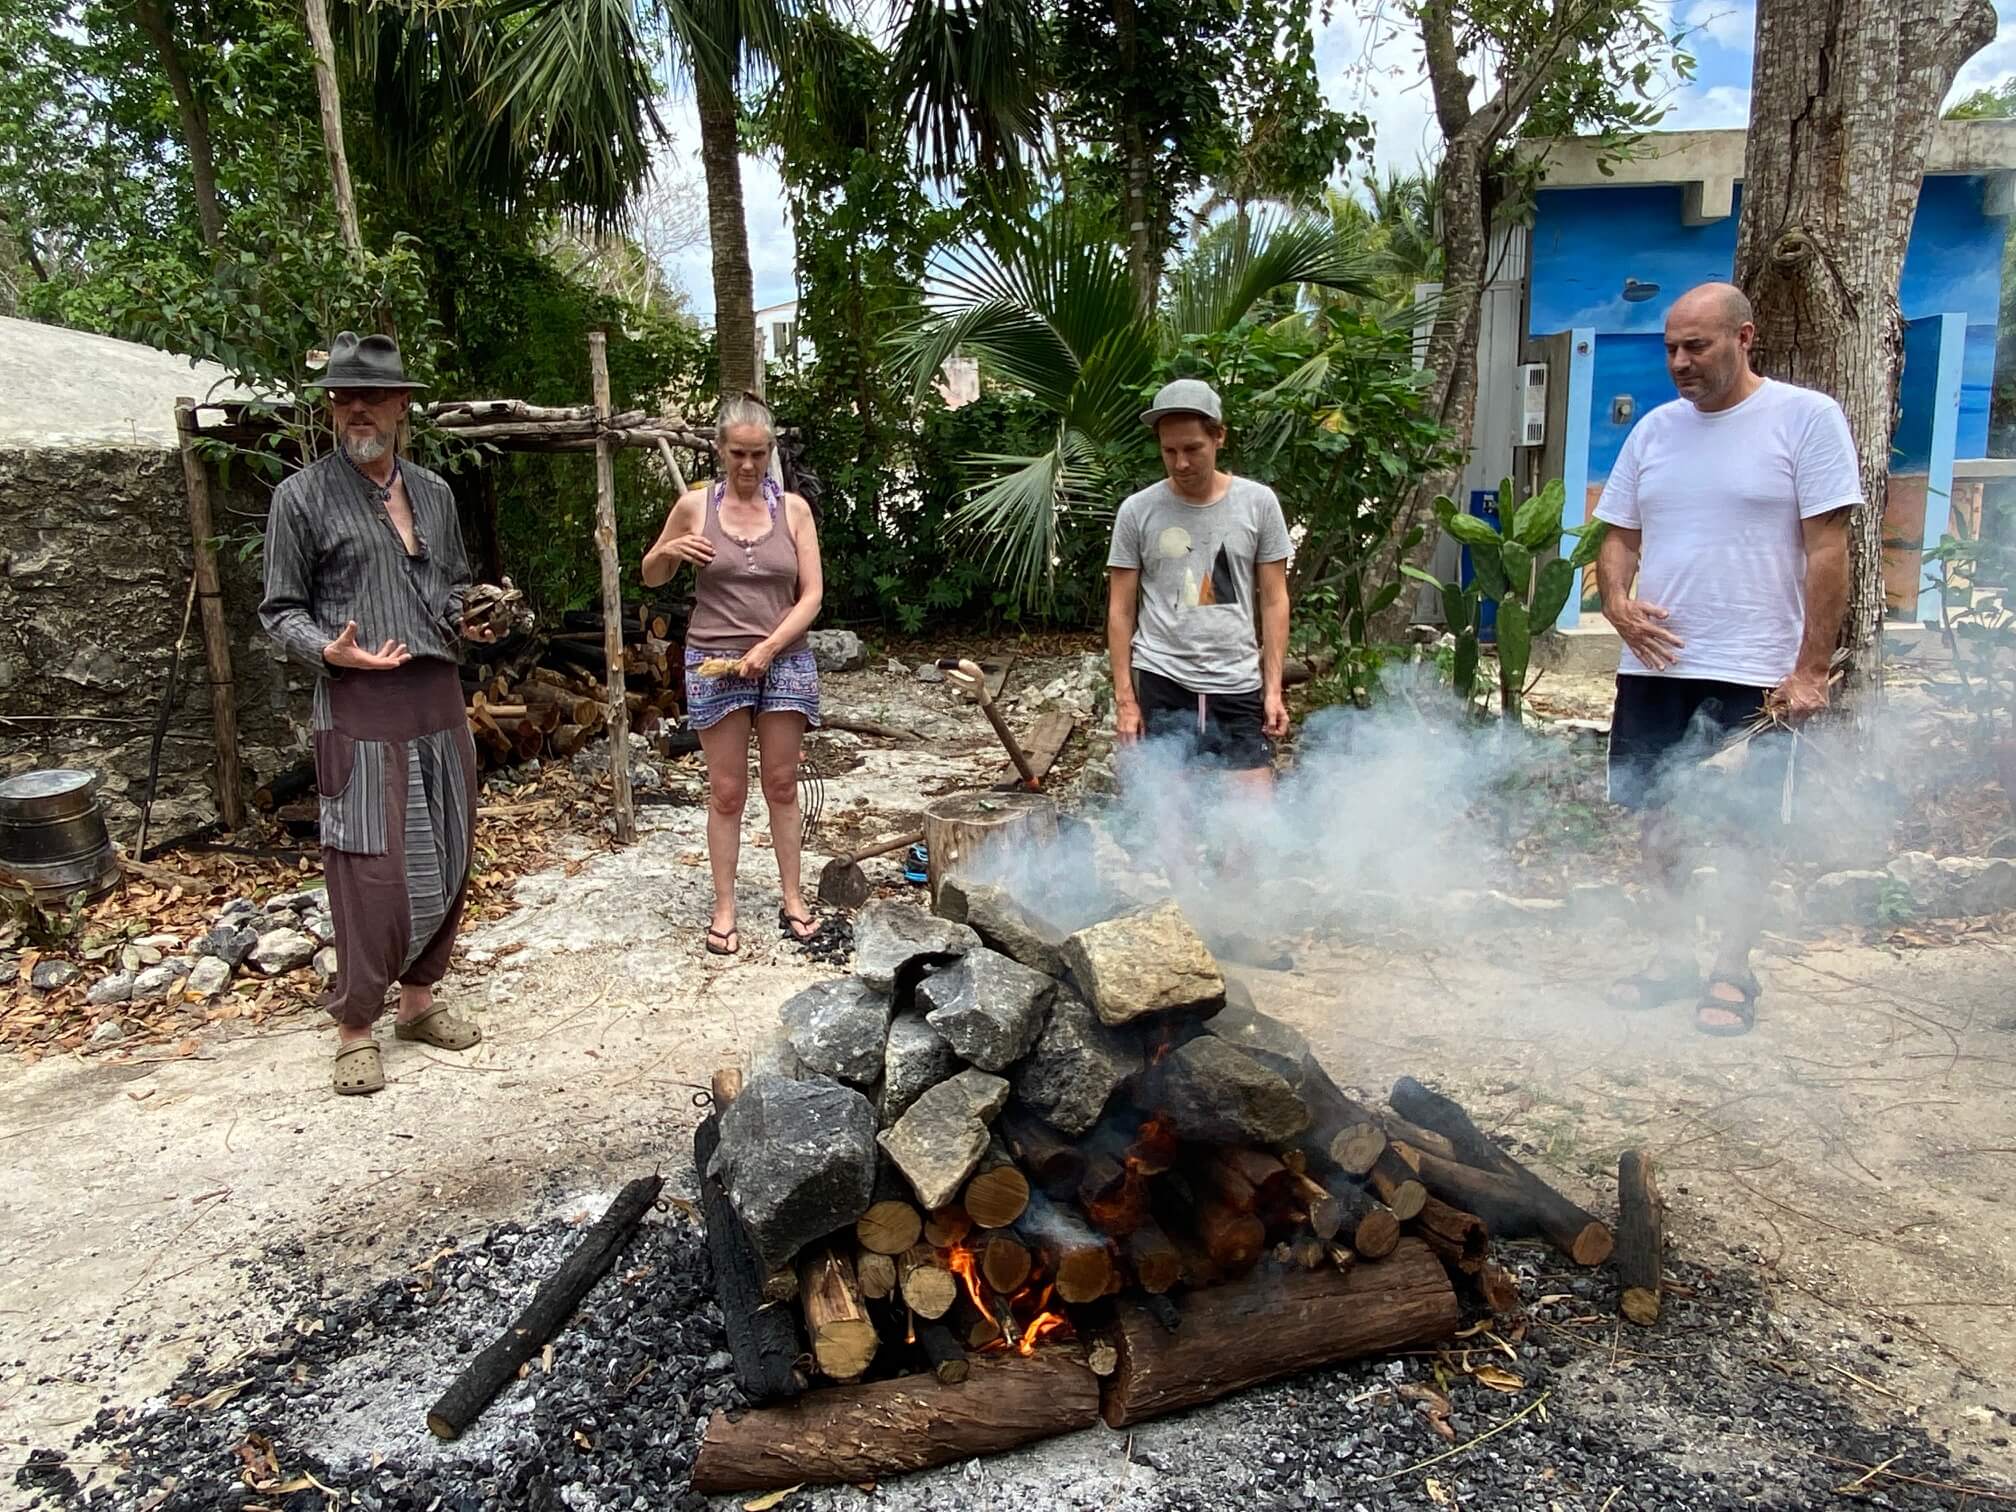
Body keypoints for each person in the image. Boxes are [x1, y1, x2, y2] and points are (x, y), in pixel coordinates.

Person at [1594, 281, 1857, 1036]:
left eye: (1696, 346)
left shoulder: (1805, 419)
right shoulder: (1654, 432)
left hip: (1755, 663)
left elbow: (1827, 547)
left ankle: (1732, 969)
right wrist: (1615, 602)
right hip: (1655, 663)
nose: (1679, 361)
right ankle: (1673, 955)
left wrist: (1810, 668)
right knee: (1656, 818)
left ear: (1745, 338)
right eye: (1671, 347)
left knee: (1745, 826)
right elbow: (1619, 532)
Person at [260, 331, 491, 1096]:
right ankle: (356, 1026)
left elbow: (451, 588)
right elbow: (279, 610)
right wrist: (332, 649)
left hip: (437, 695)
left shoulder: (433, 492)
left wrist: (477, 617)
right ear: (330, 407)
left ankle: (419, 1003)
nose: (355, 409)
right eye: (340, 396)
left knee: (452, 847)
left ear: (400, 406)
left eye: (371, 396)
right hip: (359, 703)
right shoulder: (300, 498)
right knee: (369, 868)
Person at [644, 395, 824, 955]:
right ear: (720, 450)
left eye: (758, 454)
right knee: (726, 791)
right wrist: (671, 549)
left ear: (770, 453)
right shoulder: (695, 507)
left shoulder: (793, 509)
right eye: (738, 453)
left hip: (784, 656)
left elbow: (812, 594)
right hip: (714, 660)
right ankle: (725, 906)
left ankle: (793, 897)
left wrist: (770, 647)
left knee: (782, 783)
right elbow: (651, 576)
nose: (748, 465)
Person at [1107, 378, 1292, 789]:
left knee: (1249, 831)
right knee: (1172, 830)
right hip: (1163, 677)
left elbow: (1275, 600)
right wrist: (1126, 701)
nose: (1181, 463)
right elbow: (1120, 610)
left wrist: (1273, 689)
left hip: (1237, 681)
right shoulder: (1136, 511)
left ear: (1219, 436)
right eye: (1169, 451)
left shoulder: (1259, 503)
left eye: (1193, 449)